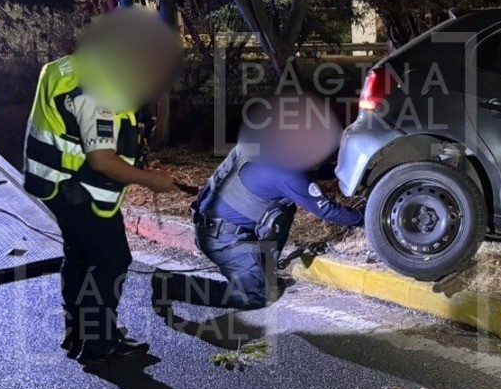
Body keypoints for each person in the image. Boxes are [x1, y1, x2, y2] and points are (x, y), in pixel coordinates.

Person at [23, 6, 181, 364]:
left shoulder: (66, 67)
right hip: (79, 190)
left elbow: (77, 131)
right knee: (112, 258)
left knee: (79, 254)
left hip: (53, 182)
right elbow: (102, 160)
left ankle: (78, 332)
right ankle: (100, 344)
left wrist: (136, 157)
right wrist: (152, 181)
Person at [152, 94, 363, 312]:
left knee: (284, 207)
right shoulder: (287, 173)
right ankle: (170, 285)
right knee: (257, 297)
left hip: (210, 225)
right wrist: (366, 219)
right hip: (224, 241)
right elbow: (326, 210)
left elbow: (310, 171)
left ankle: (263, 270)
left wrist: (348, 173)